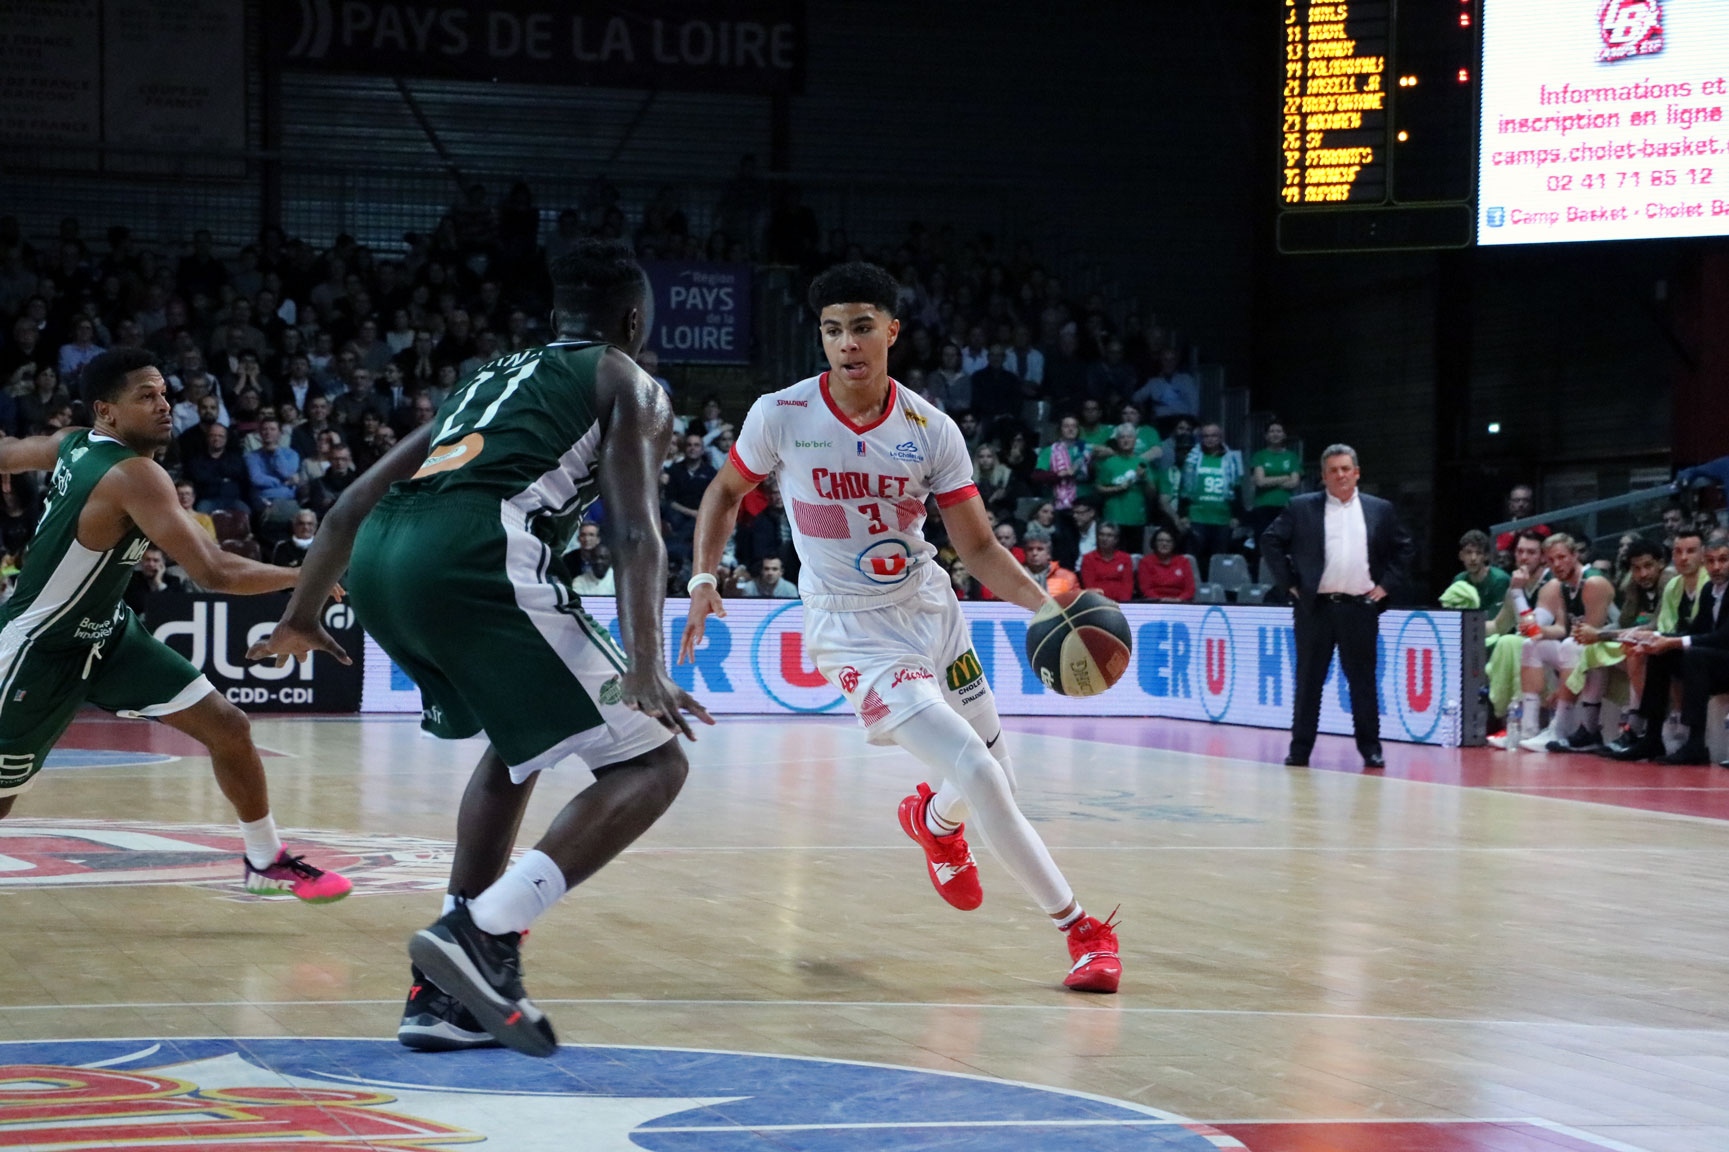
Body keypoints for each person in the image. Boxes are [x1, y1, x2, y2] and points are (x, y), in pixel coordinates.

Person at [247, 240, 711, 1058]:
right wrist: (645, 666)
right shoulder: (625, 380)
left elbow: (354, 499)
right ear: (634, 320)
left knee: (515, 748)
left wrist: (303, 611)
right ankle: (487, 931)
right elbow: (635, 530)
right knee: (655, 762)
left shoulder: (485, 379)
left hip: (386, 561)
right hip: (478, 553)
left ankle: (442, 1000)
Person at [680, 261, 1122, 994]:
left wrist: (1047, 607)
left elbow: (977, 547)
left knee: (995, 782)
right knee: (977, 771)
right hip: (853, 632)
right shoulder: (780, 415)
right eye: (831, 331)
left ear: (891, 330)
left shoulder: (929, 428)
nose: (846, 343)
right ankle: (1081, 929)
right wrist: (702, 577)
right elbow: (726, 493)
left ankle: (934, 821)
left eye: (860, 327)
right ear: (820, 339)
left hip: (931, 612)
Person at [0, 348, 350, 902]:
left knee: (229, 727)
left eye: (164, 393)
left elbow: (8, 452)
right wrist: (301, 575)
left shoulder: (72, 443)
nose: (165, 405)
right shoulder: (133, 474)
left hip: (108, 632)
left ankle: (265, 860)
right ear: (107, 412)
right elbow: (215, 572)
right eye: (147, 396)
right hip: (39, 646)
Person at [1261, 444, 1414, 770]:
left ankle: (1371, 749)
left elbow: (1403, 549)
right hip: (1315, 608)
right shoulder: (1302, 507)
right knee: (1308, 683)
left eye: (1346, 469)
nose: (1340, 475)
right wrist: (1289, 583)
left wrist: (1384, 587)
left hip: (1360, 608)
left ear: (1357, 472)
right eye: (1333, 470)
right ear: (1324, 475)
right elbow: (1270, 539)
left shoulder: (1380, 509)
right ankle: (1299, 750)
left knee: (1363, 682)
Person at [1605, 529, 1729, 764]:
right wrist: (1657, 640)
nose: (1716, 567)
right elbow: (1698, 631)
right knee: (1660, 654)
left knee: (1693, 655)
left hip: (1722, 658)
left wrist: (1673, 641)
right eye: (1711, 561)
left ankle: (1695, 743)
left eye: (1723, 560)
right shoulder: (1709, 591)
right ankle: (1652, 736)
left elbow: (1724, 637)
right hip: (1715, 659)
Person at [1512, 534, 1614, 752]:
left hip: (1614, 645)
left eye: (1562, 557)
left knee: (1570, 645)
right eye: (1551, 560)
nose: (1557, 564)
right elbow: (1533, 631)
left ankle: (1558, 729)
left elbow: (1589, 637)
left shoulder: (1593, 581)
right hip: (1587, 648)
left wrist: (1560, 691)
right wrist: (1517, 592)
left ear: (1575, 555)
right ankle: (1527, 730)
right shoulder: (1561, 586)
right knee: (1531, 646)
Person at [1247, 421, 1301, 540]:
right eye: (1271, 431)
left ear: (1284, 435)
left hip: (1285, 506)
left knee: (1284, 541)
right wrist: (1284, 477)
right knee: (1263, 541)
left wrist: (1270, 481)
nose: (1275, 434)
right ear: (1266, 436)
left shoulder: (1292, 456)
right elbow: (1260, 482)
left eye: (1278, 431)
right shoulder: (1259, 456)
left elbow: (1294, 482)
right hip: (1263, 506)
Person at [1453, 529, 1510, 612]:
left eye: (1478, 553)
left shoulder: (1500, 580)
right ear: (1461, 556)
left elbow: (1498, 622)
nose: (1473, 558)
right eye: (1469, 552)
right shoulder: (1459, 581)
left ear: (1486, 556)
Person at [1137, 526, 1195, 603]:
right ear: (1155, 543)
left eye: (1168, 541)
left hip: (1180, 604)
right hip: (1154, 604)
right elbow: (1145, 589)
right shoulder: (1146, 562)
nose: (1164, 544)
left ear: (1174, 544)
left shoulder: (1183, 561)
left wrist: (1178, 600)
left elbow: (1190, 589)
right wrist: (1160, 600)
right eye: (1160, 541)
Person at [1079, 523, 1134, 602]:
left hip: (1120, 603)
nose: (1104, 538)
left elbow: (1128, 585)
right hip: (1097, 603)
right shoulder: (1088, 558)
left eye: (1109, 535)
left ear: (1116, 539)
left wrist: (1122, 603)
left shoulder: (1125, 558)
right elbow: (1090, 586)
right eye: (1101, 535)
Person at [732, 555, 799, 598]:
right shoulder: (749, 588)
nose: (770, 573)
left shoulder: (790, 589)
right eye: (766, 569)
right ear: (761, 571)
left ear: (781, 572)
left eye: (774, 569)